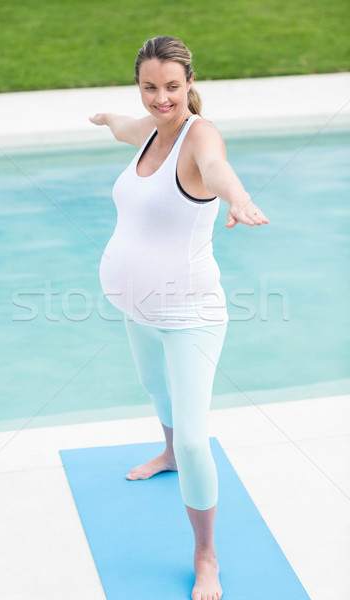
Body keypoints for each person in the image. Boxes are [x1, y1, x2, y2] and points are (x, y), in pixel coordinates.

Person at [89, 36, 269, 600]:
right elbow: (127, 125)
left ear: (190, 82)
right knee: (153, 387)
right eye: (149, 88)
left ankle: (206, 554)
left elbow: (216, 169)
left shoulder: (200, 136)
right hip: (135, 304)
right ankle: (165, 453)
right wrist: (106, 117)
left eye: (171, 86)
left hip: (189, 314)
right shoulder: (146, 130)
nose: (161, 98)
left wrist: (237, 199)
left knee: (197, 441)